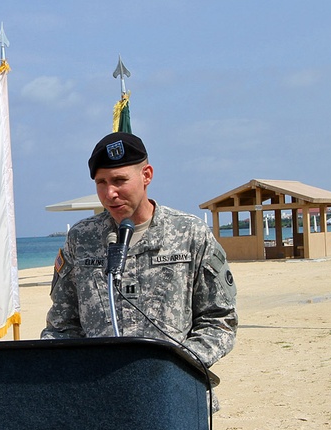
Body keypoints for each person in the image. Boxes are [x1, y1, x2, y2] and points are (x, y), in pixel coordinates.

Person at [41, 132, 237, 369]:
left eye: (119, 180)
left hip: (174, 389)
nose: (109, 193)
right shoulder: (81, 239)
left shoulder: (190, 233)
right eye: (101, 183)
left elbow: (219, 320)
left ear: (146, 175)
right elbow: (62, 326)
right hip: (100, 392)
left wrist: (177, 366)